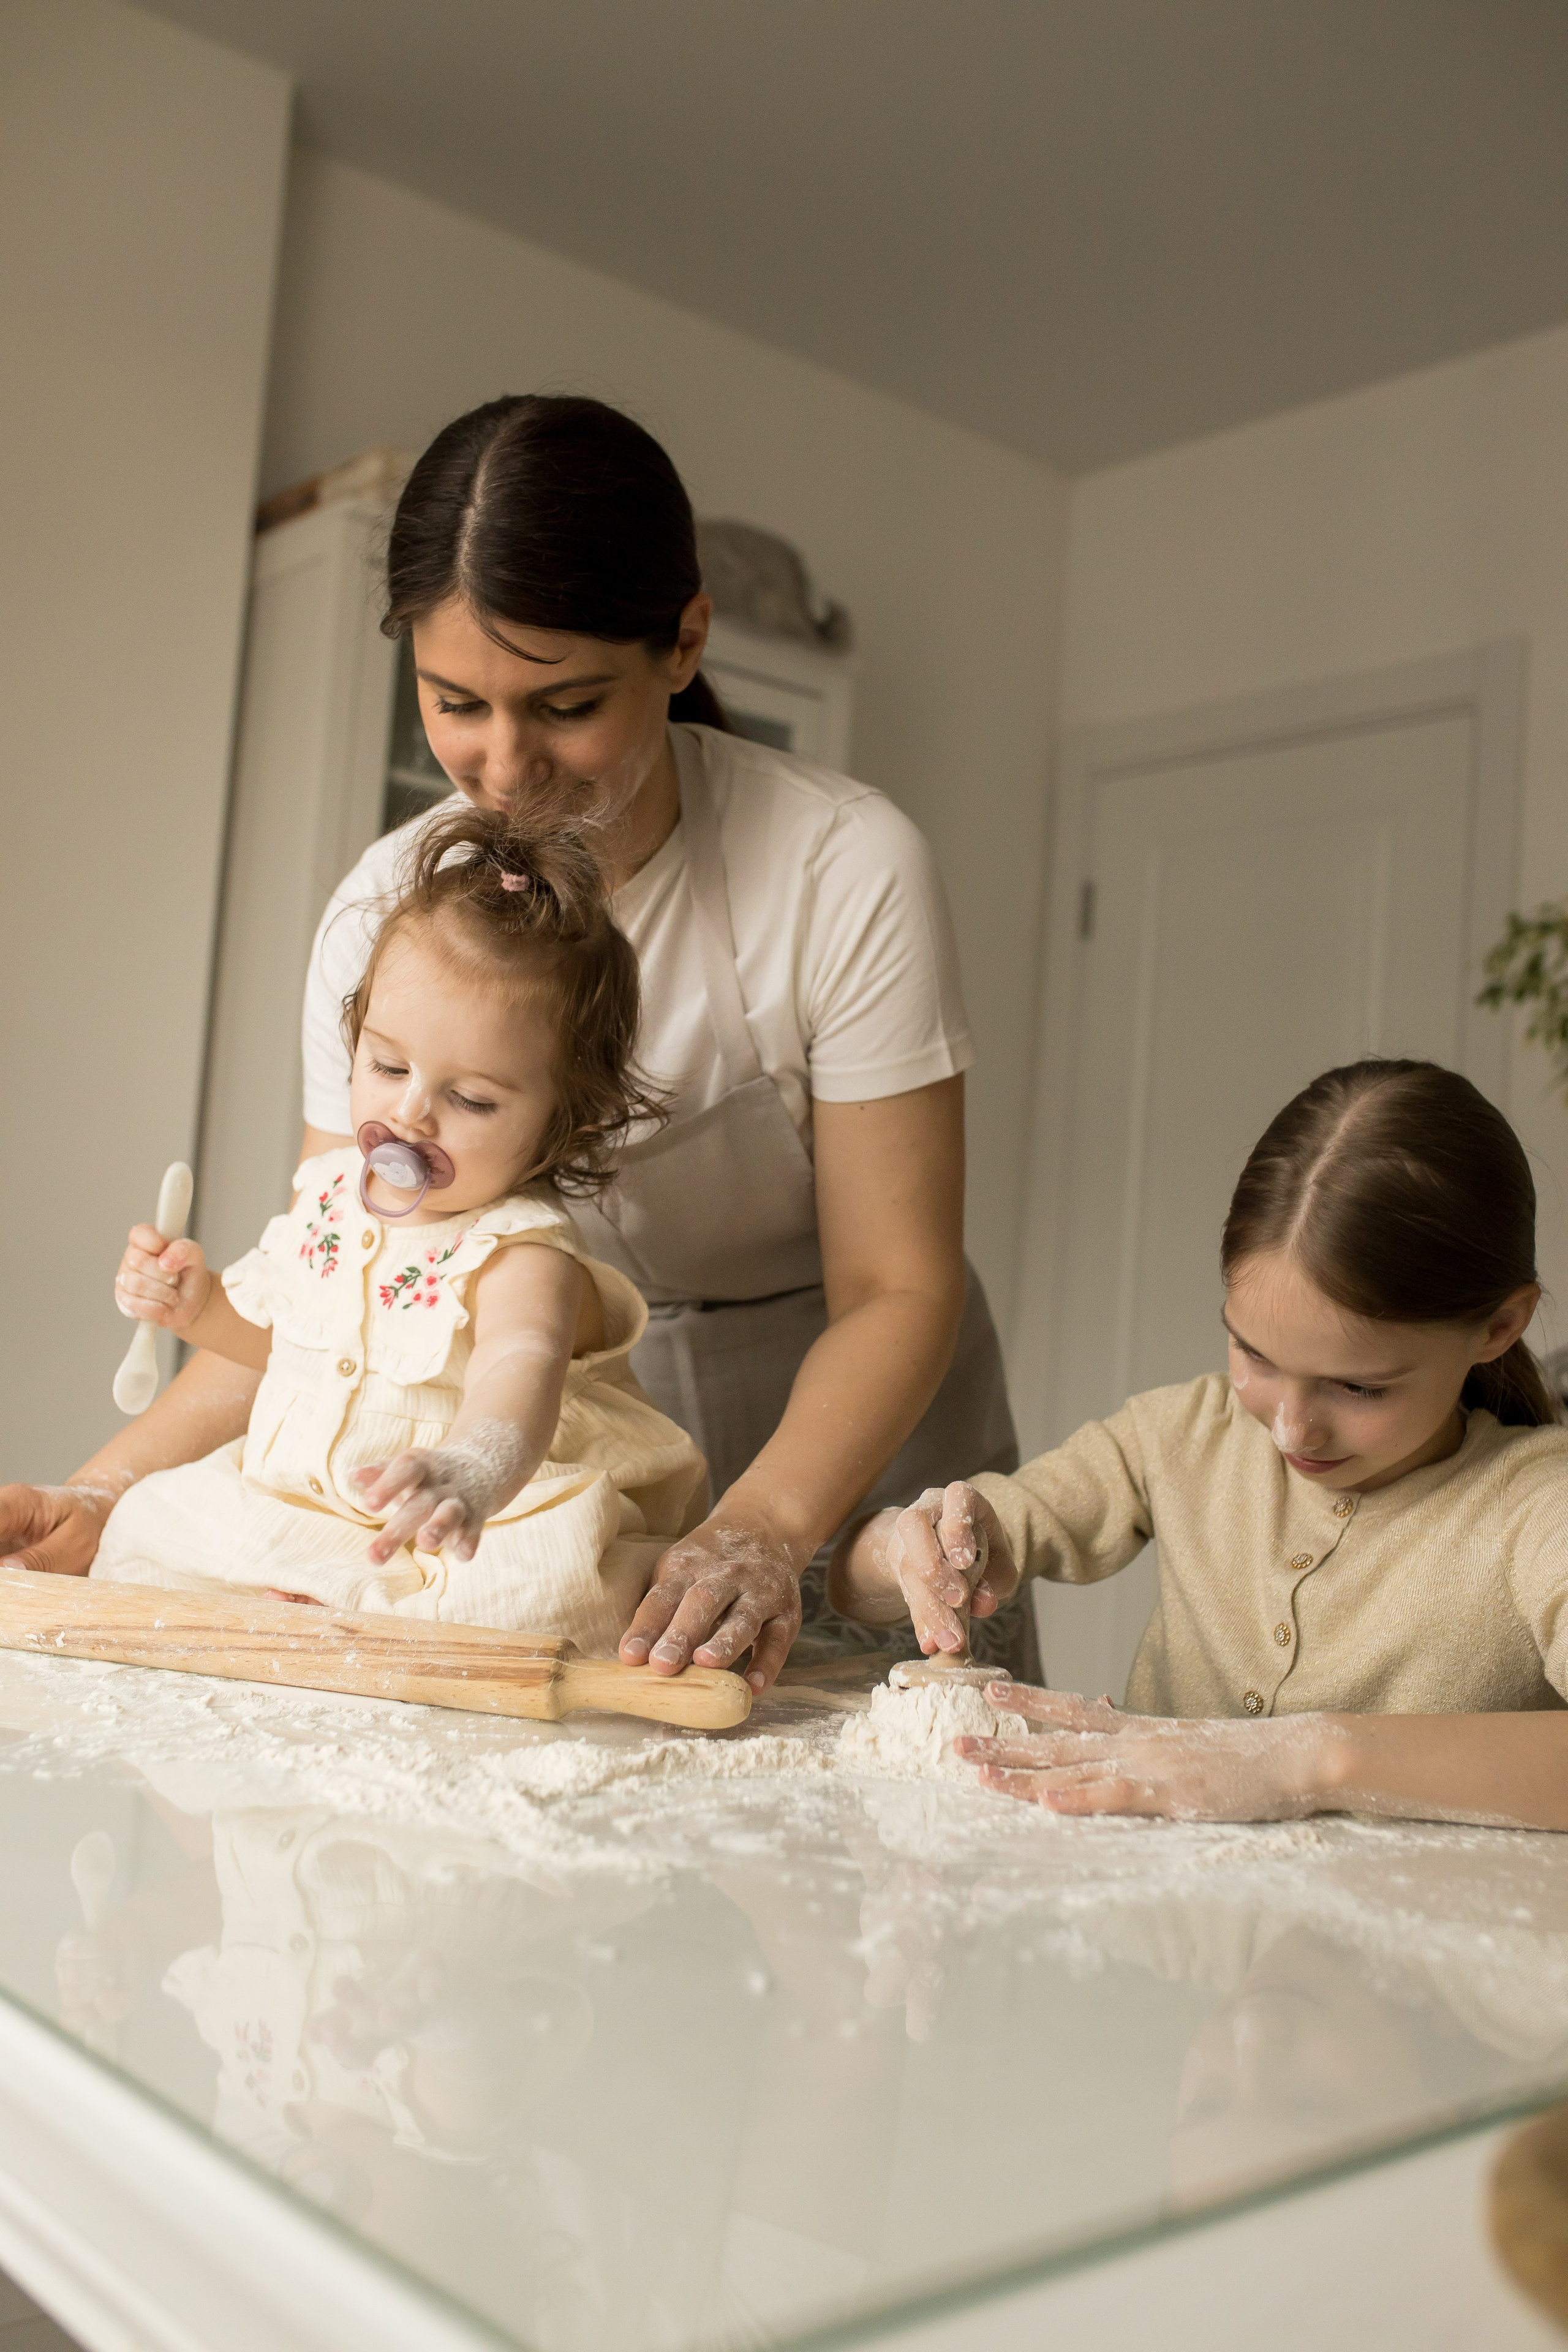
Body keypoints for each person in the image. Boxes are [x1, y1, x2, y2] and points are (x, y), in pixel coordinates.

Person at [0, 393, 1020, 1691]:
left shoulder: (840, 869)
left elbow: (896, 1287)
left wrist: (759, 1532)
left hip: (848, 1422)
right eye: (453, 702)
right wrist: (96, 1496)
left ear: (683, 639)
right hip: (554, 1434)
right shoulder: (389, 908)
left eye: (565, 703)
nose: (502, 763)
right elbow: (338, 1296)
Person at [834, 1059, 1568, 1831]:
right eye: (1254, 1356)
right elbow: (858, 1583)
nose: (1291, 1427)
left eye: (1357, 1388)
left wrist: (1309, 1758)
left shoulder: (1537, 1510)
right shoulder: (1185, 1437)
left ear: (1497, 1328)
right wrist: (906, 1547)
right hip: (1173, 1943)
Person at [92, 804, 704, 1649]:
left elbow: (514, 1381)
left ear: (562, 1128)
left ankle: (348, 1613)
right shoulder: (328, 1196)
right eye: (386, 1065)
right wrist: (194, 1309)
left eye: (471, 1099)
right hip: (311, 1504)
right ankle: (335, 1610)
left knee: (550, 1589)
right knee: (142, 1527)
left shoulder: (521, 1253)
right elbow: (288, 1350)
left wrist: (471, 1471)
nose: (412, 1112)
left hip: (459, 1523)